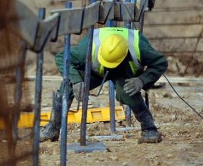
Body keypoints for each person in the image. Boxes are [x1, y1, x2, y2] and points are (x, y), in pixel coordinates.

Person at [40, 26, 168, 144]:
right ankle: (53, 128)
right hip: (97, 70)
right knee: (67, 86)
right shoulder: (88, 47)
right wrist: (76, 81)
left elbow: (160, 62)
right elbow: (62, 57)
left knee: (129, 91)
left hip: (124, 71)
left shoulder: (139, 45)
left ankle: (150, 129)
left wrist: (142, 80)